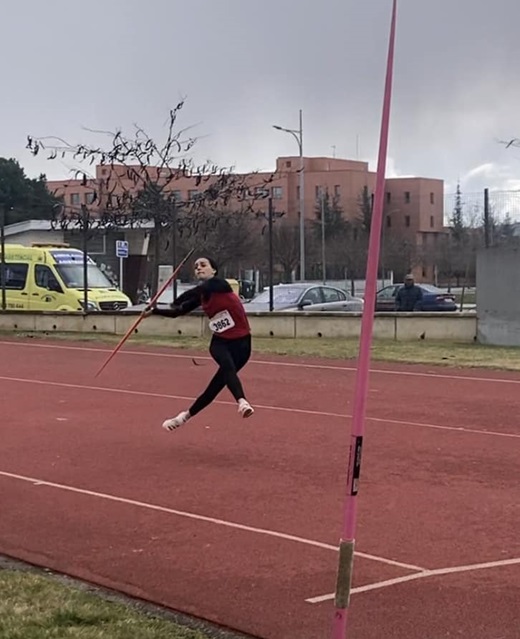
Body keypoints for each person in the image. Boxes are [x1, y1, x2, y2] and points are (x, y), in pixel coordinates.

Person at [145, 256, 254, 431]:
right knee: (226, 366)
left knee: (215, 386)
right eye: (196, 267)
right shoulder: (202, 294)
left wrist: (176, 300)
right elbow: (178, 312)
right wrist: (154, 311)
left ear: (214, 270)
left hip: (242, 344)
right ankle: (242, 402)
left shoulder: (220, 284)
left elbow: (193, 293)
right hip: (221, 341)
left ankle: (183, 417)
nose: (199, 269)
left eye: (203, 265)